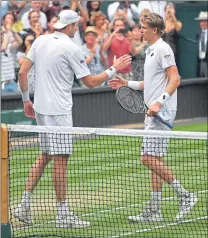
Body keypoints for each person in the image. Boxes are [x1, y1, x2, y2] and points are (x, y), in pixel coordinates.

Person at [14, 10, 131, 228]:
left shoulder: (40, 41)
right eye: (76, 25)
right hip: (59, 112)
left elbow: (22, 73)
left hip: (39, 107)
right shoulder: (72, 48)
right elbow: (91, 82)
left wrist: (25, 101)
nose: (77, 28)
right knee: (60, 160)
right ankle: (62, 215)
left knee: (45, 155)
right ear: (69, 26)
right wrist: (115, 68)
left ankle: (23, 205)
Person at [109, 13, 197, 222]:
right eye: (140, 27)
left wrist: (159, 102)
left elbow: (175, 79)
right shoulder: (150, 51)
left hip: (161, 111)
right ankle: (155, 209)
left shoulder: (163, 49)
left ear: (155, 30)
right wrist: (125, 83)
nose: (140, 30)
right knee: (154, 159)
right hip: (152, 110)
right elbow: (148, 84)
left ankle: (185, 195)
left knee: (146, 158)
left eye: (143, 27)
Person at [195, 11, 208, 77]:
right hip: (201, 63)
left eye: (205, 21)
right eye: (201, 21)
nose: (203, 23)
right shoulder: (199, 34)